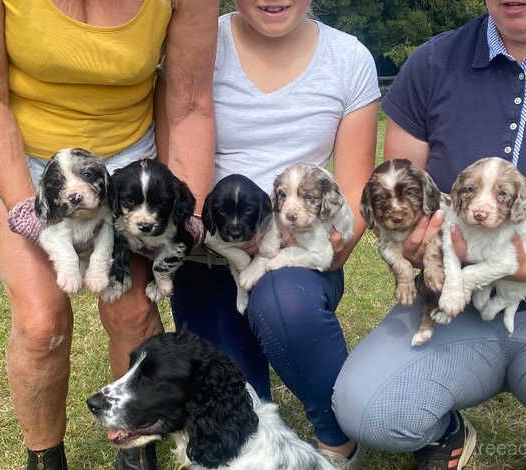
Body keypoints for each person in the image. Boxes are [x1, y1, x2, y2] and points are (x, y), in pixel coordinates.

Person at [332, 1, 526, 469]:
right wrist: (418, 245)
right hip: (450, 302)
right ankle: (447, 432)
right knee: (369, 410)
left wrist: (509, 265)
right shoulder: (434, 61)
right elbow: (409, 194)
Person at [0, 1, 218, 469]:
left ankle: (137, 450)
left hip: (126, 168)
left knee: (132, 311)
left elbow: (189, 102)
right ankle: (45, 458)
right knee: (40, 321)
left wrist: (189, 211)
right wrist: (26, 208)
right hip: (25, 159)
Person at [168, 1, 381, 468]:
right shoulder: (196, 41)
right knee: (235, 415)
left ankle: (336, 442)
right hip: (210, 254)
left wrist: (314, 251)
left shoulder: (349, 58)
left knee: (284, 305)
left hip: (298, 251)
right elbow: (176, 160)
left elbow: (354, 191)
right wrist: (209, 238)